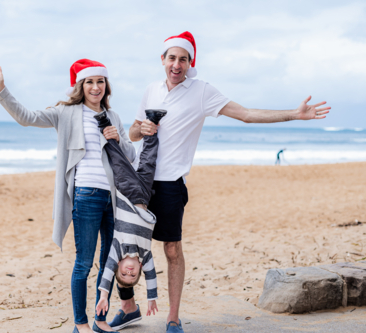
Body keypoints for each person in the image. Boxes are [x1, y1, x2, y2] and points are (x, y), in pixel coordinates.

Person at [110, 31, 331, 333]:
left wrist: (295, 114)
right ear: (163, 60)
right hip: (139, 181)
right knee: (127, 247)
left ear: (190, 63)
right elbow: (133, 134)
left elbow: (247, 114)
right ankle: (128, 307)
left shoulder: (202, 92)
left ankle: (173, 317)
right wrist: (141, 128)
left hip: (171, 183)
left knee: (172, 249)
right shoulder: (151, 90)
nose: (177, 64)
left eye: (183, 59)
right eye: (172, 58)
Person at [0, 59, 136, 333]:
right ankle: (80, 323)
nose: (96, 87)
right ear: (80, 85)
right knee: (84, 262)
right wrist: (2, 90)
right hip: (85, 196)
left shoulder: (114, 117)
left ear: (106, 85)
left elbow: (131, 157)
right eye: (89, 82)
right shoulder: (66, 113)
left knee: (108, 264)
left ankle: (101, 319)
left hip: (113, 199)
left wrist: (118, 140)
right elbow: (27, 118)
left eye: (100, 81)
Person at [92, 109, 167, 324]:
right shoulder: (145, 256)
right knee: (149, 160)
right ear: (139, 270)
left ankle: (103, 124)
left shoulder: (117, 249)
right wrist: (151, 298)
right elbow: (152, 276)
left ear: (119, 267)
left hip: (126, 194)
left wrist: (104, 294)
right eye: (133, 276)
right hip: (144, 195)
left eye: (124, 274)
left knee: (118, 160)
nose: (129, 272)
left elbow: (107, 273)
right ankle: (153, 119)